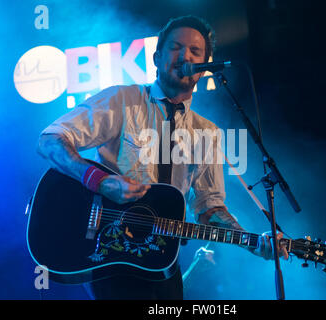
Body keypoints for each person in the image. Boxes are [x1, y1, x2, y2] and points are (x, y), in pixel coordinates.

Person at [37, 15, 288, 300]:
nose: (185, 56)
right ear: (157, 58)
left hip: (161, 265)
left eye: (195, 52)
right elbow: (49, 140)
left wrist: (251, 241)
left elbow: (208, 209)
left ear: (205, 67)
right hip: (106, 256)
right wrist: (101, 181)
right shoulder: (122, 100)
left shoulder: (207, 132)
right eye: (175, 47)